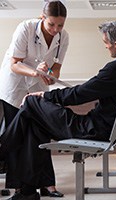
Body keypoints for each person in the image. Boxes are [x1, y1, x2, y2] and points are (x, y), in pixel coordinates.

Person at [0, 19, 116, 200]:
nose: (106, 47)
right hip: (114, 133)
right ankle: (27, 191)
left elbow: (79, 95)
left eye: (106, 43)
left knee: (31, 103)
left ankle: (2, 150)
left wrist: (44, 95)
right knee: (34, 122)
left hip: (92, 131)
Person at [0, 0, 69, 198]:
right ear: (42, 18)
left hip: (37, 87)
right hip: (15, 86)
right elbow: (14, 63)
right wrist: (36, 73)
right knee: (19, 137)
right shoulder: (25, 28)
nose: (56, 29)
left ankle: (48, 184)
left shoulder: (63, 36)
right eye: (51, 24)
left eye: (60, 25)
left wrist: (49, 74)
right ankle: (19, 188)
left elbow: (56, 67)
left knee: (40, 133)